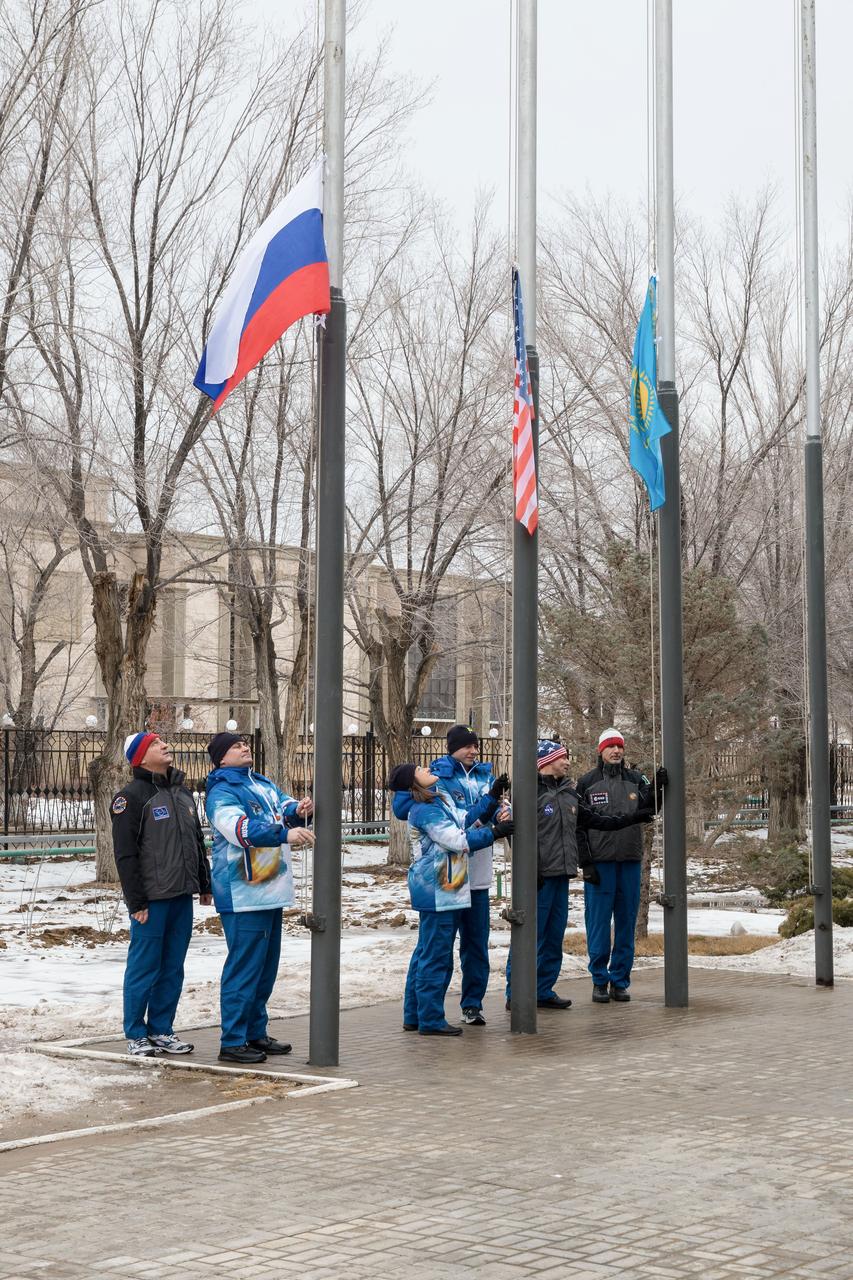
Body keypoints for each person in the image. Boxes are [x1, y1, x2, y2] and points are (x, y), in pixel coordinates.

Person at [505, 740, 653, 1010]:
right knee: (530, 937)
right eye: (563, 758)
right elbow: (516, 834)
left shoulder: (569, 794)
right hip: (538, 879)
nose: (567, 762)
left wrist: (634, 818)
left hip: (562, 874)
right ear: (547, 761)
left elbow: (598, 820)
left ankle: (542, 989)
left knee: (553, 937)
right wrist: (530, 869)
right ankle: (515, 992)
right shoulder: (529, 792)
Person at [205, 731, 314, 1064]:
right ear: (222, 758)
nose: (244, 747)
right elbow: (238, 830)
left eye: (244, 743)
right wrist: (284, 832)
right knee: (244, 967)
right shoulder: (221, 791)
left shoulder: (262, 783)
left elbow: (284, 808)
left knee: (265, 968)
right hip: (241, 892)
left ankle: (255, 1032)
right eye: (236, 746)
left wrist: (298, 809)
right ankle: (233, 1040)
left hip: (270, 889)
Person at [388, 762, 513, 1037]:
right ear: (414, 783)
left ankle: (415, 1015)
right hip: (436, 889)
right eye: (419, 769)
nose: (425, 767)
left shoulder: (438, 801)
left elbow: (466, 818)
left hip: (448, 886)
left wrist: (491, 798)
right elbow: (456, 839)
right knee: (435, 956)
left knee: (429, 952)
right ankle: (430, 1019)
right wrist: (495, 833)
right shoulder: (425, 810)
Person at [111, 731, 212, 1057]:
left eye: (162, 742)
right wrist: (136, 901)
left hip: (181, 895)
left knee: (172, 966)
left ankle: (162, 1029)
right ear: (139, 757)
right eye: (156, 744)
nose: (165, 746)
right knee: (144, 967)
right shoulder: (131, 797)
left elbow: (196, 841)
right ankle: (136, 1034)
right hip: (151, 902)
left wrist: (204, 883)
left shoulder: (181, 794)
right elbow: (125, 854)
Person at [576, 727, 667, 1003]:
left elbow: (650, 810)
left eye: (620, 747)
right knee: (599, 925)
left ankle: (620, 981)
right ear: (600, 751)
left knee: (626, 924)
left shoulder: (635, 779)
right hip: (600, 865)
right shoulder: (587, 783)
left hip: (629, 860)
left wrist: (658, 788)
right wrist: (586, 863)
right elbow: (578, 826)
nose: (616, 751)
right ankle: (599, 981)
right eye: (611, 747)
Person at [430, 725, 510, 1026]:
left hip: (478, 877)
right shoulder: (439, 778)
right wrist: (488, 809)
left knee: (476, 945)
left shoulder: (484, 776)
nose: (473, 751)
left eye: (476, 746)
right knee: (439, 947)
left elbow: (499, 808)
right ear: (453, 747)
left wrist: (504, 811)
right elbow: (459, 821)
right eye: (467, 746)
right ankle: (429, 1010)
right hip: (449, 877)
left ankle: (472, 1004)